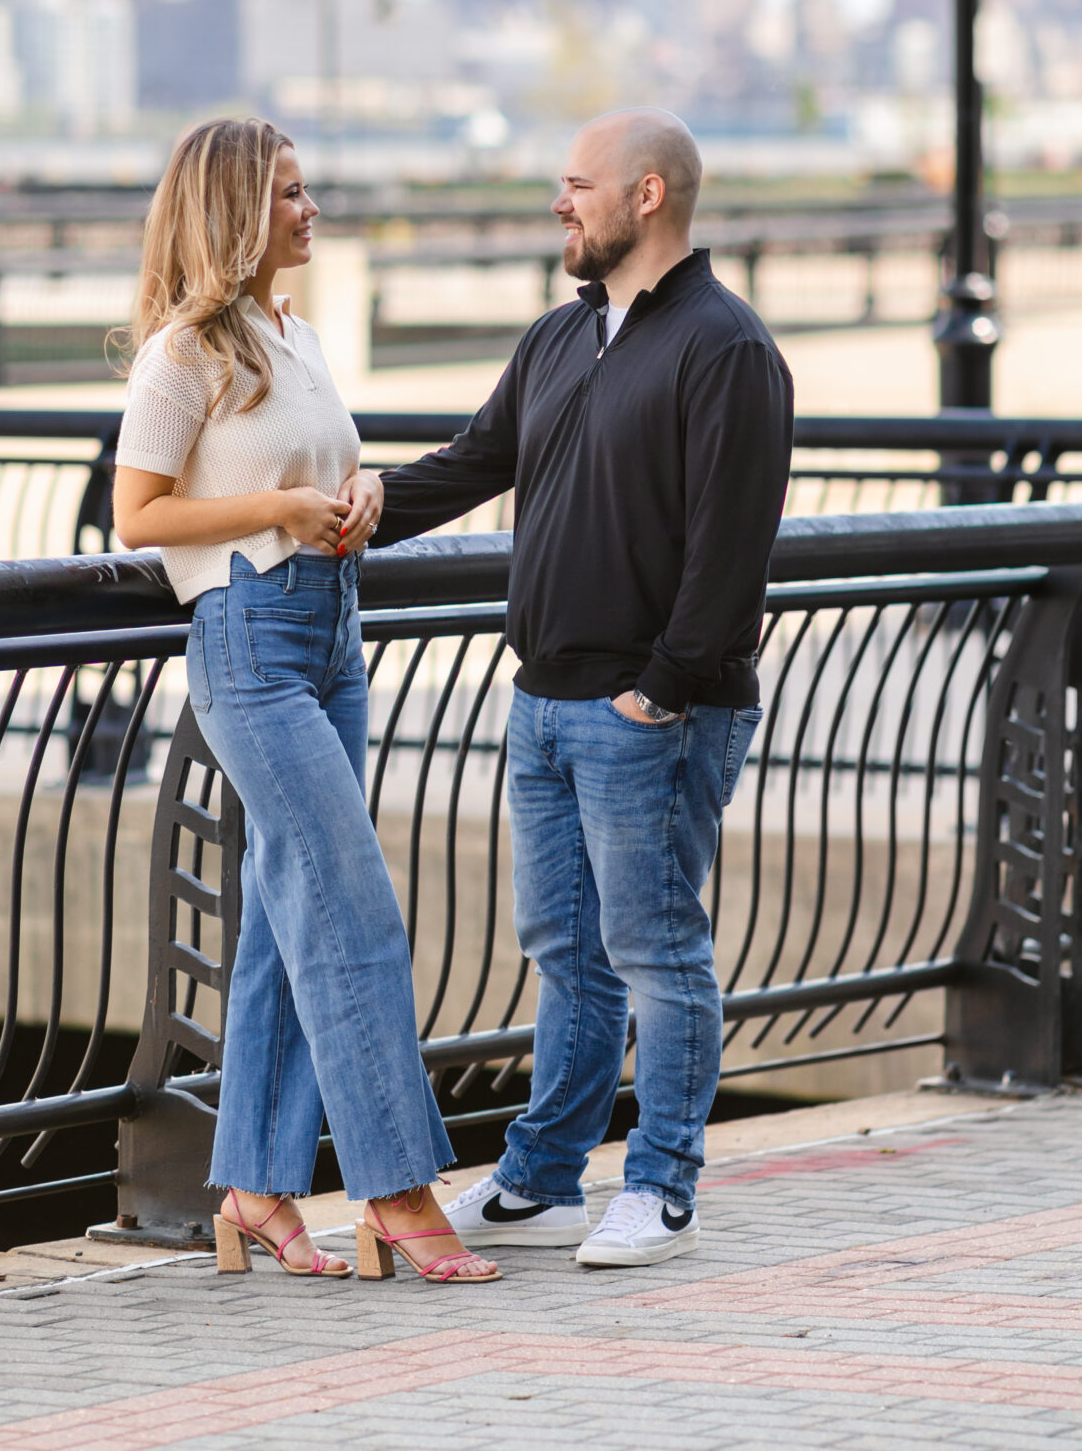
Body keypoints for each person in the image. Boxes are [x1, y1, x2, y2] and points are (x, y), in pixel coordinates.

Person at [372, 108, 794, 1267]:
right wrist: (346, 513)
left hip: (648, 711)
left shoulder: (727, 346)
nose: (560, 202)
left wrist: (661, 689)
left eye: (576, 183)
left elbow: (731, 546)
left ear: (646, 195)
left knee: (658, 950)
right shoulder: (560, 339)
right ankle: (544, 1180)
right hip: (545, 699)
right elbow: (472, 463)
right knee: (565, 948)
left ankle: (662, 1186)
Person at [112, 116, 499, 1286]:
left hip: (336, 628)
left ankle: (256, 1187)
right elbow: (139, 515)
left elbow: (321, 463)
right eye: (286, 192)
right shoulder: (182, 353)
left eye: (306, 186)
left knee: (287, 920)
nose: (308, 206)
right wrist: (276, 512)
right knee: (351, 903)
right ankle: (395, 1188)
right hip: (248, 638)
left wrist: (359, 489)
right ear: (233, 210)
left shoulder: (299, 335)